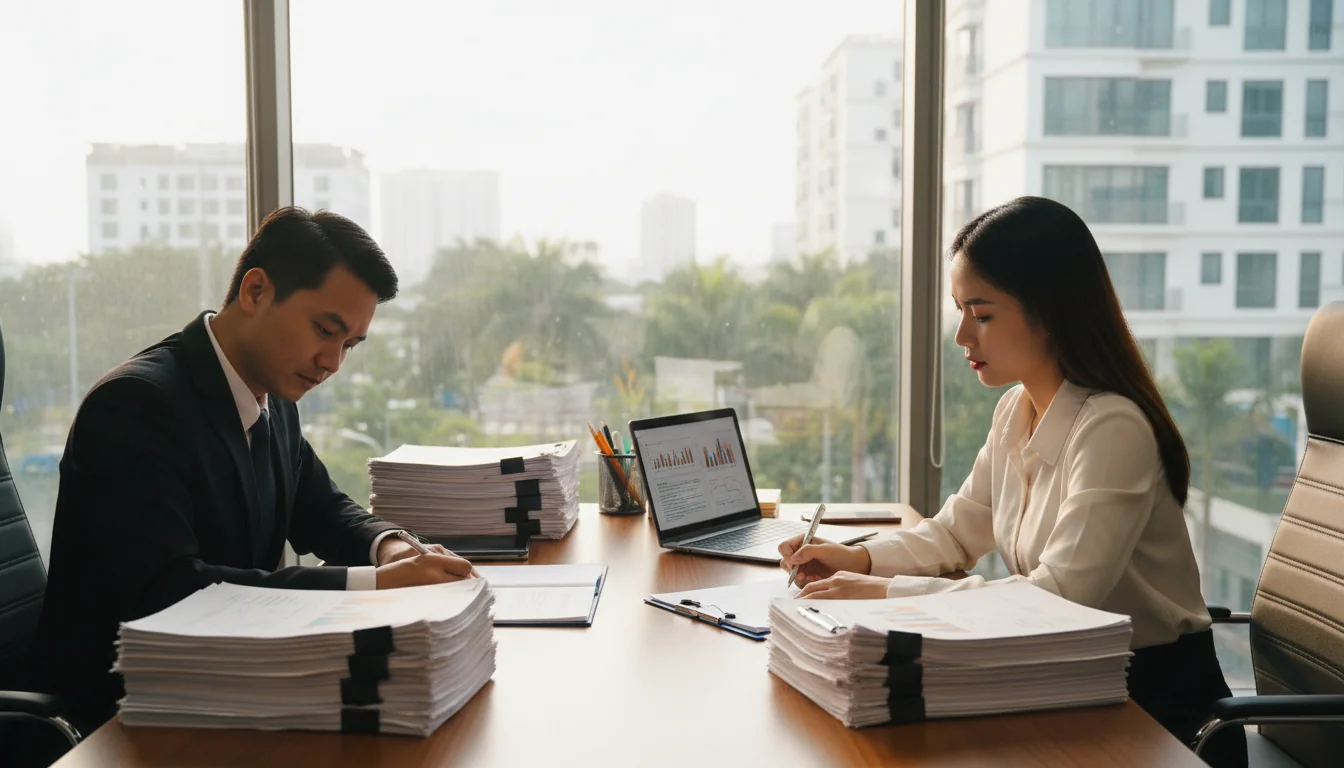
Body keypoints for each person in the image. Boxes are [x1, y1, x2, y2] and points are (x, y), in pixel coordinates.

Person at [779, 197, 1245, 767]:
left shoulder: (1112, 427)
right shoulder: (1014, 411)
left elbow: (1060, 599)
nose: (961, 337)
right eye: (960, 311)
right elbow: (953, 536)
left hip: (1157, 716)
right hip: (1065, 685)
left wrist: (883, 593)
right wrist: (857, 561)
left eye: (983, 314)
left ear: (1050, 312)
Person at [29, 207, 475, 734]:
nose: (332, 361)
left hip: (234, 692)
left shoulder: (272, 396)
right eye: (325, 330)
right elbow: (171, 591)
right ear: (256, 291)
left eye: (349, 344)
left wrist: (393, 547)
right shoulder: (135, 406)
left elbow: (321, 507)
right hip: (123, 719)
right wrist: (374, 585)